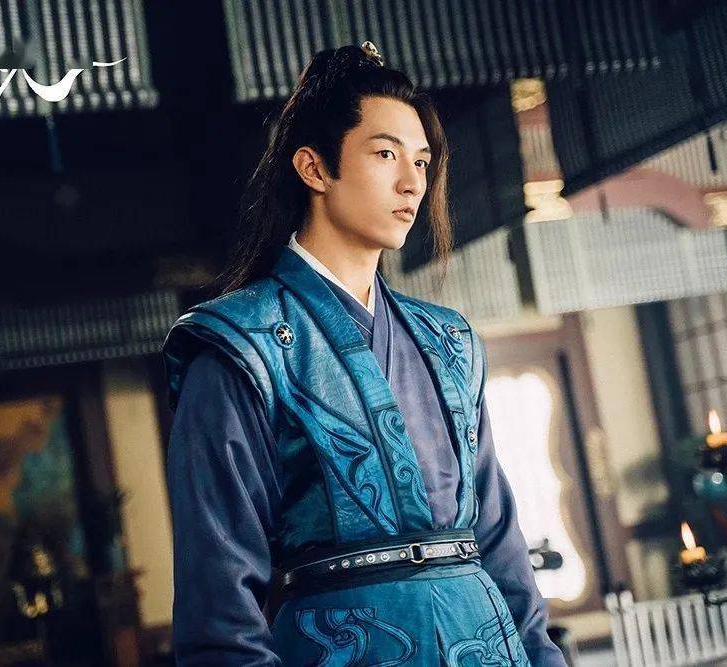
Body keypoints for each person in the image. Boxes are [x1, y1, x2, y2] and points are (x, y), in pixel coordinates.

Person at [162, 41, 567, 666]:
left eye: (422, 161)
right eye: (385, 154)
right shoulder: (240, 348)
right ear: (314, 168)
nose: (413, 182)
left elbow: (498, 542)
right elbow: (219, 607)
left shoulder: (449, 341)